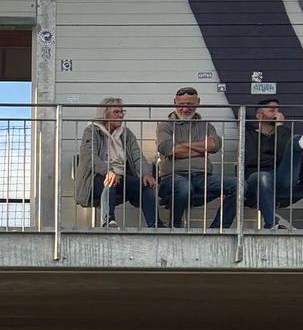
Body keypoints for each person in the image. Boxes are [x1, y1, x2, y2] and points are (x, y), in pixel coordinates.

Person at [74, 97, 157, 227]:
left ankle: (155, 225)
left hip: (121, 177)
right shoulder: (92, 131)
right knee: (110, 181)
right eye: (116, 112)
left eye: (122, 112)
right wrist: (108, 171)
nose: (121, 115)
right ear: (105, 114)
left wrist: (146, 173)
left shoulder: (126, 133)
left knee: (144, 187)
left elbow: (137, 156)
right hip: (96, 177)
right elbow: (89, 156)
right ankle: (108, 222)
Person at [155, 88, 230, 230]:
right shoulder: (165, 125)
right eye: (181, 104)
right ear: (174, 103)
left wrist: (184, 145)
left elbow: (214, 145)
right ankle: (174, 225)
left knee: (238, 186)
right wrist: (202, 149)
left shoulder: (206, 125)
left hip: (203, 177)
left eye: (190, 104)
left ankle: (219, 227)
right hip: (172, 177)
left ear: (198, 102)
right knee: (184, 187)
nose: (185, 109)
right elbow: (168, 149)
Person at [242, 97, 303, 231]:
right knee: (263, 176)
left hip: (281, 177)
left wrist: (279, 128)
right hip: (255, 179)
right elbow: (250, 160)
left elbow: (286, 153)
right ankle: (272, 224)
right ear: (259, 116)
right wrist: (277, 158)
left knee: (293, 142)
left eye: (278, 110)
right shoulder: (248, 136)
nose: (277, 113)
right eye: (272, 110)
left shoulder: (283, 132)